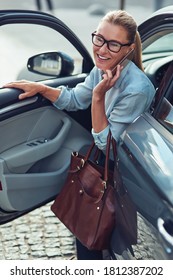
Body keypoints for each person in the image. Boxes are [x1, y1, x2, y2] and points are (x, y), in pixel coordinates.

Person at [4, 10, 155, 260]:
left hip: (124, 175)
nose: (102, 50)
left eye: (113, 44)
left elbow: (108, 145)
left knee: (98, 235)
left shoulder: (137, 89)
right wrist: (40, 88)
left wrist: (98, 97)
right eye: (99, 39)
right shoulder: (102, 68)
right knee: (85, 231)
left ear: (128, 49)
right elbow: (75, 99)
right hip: (102, 166)